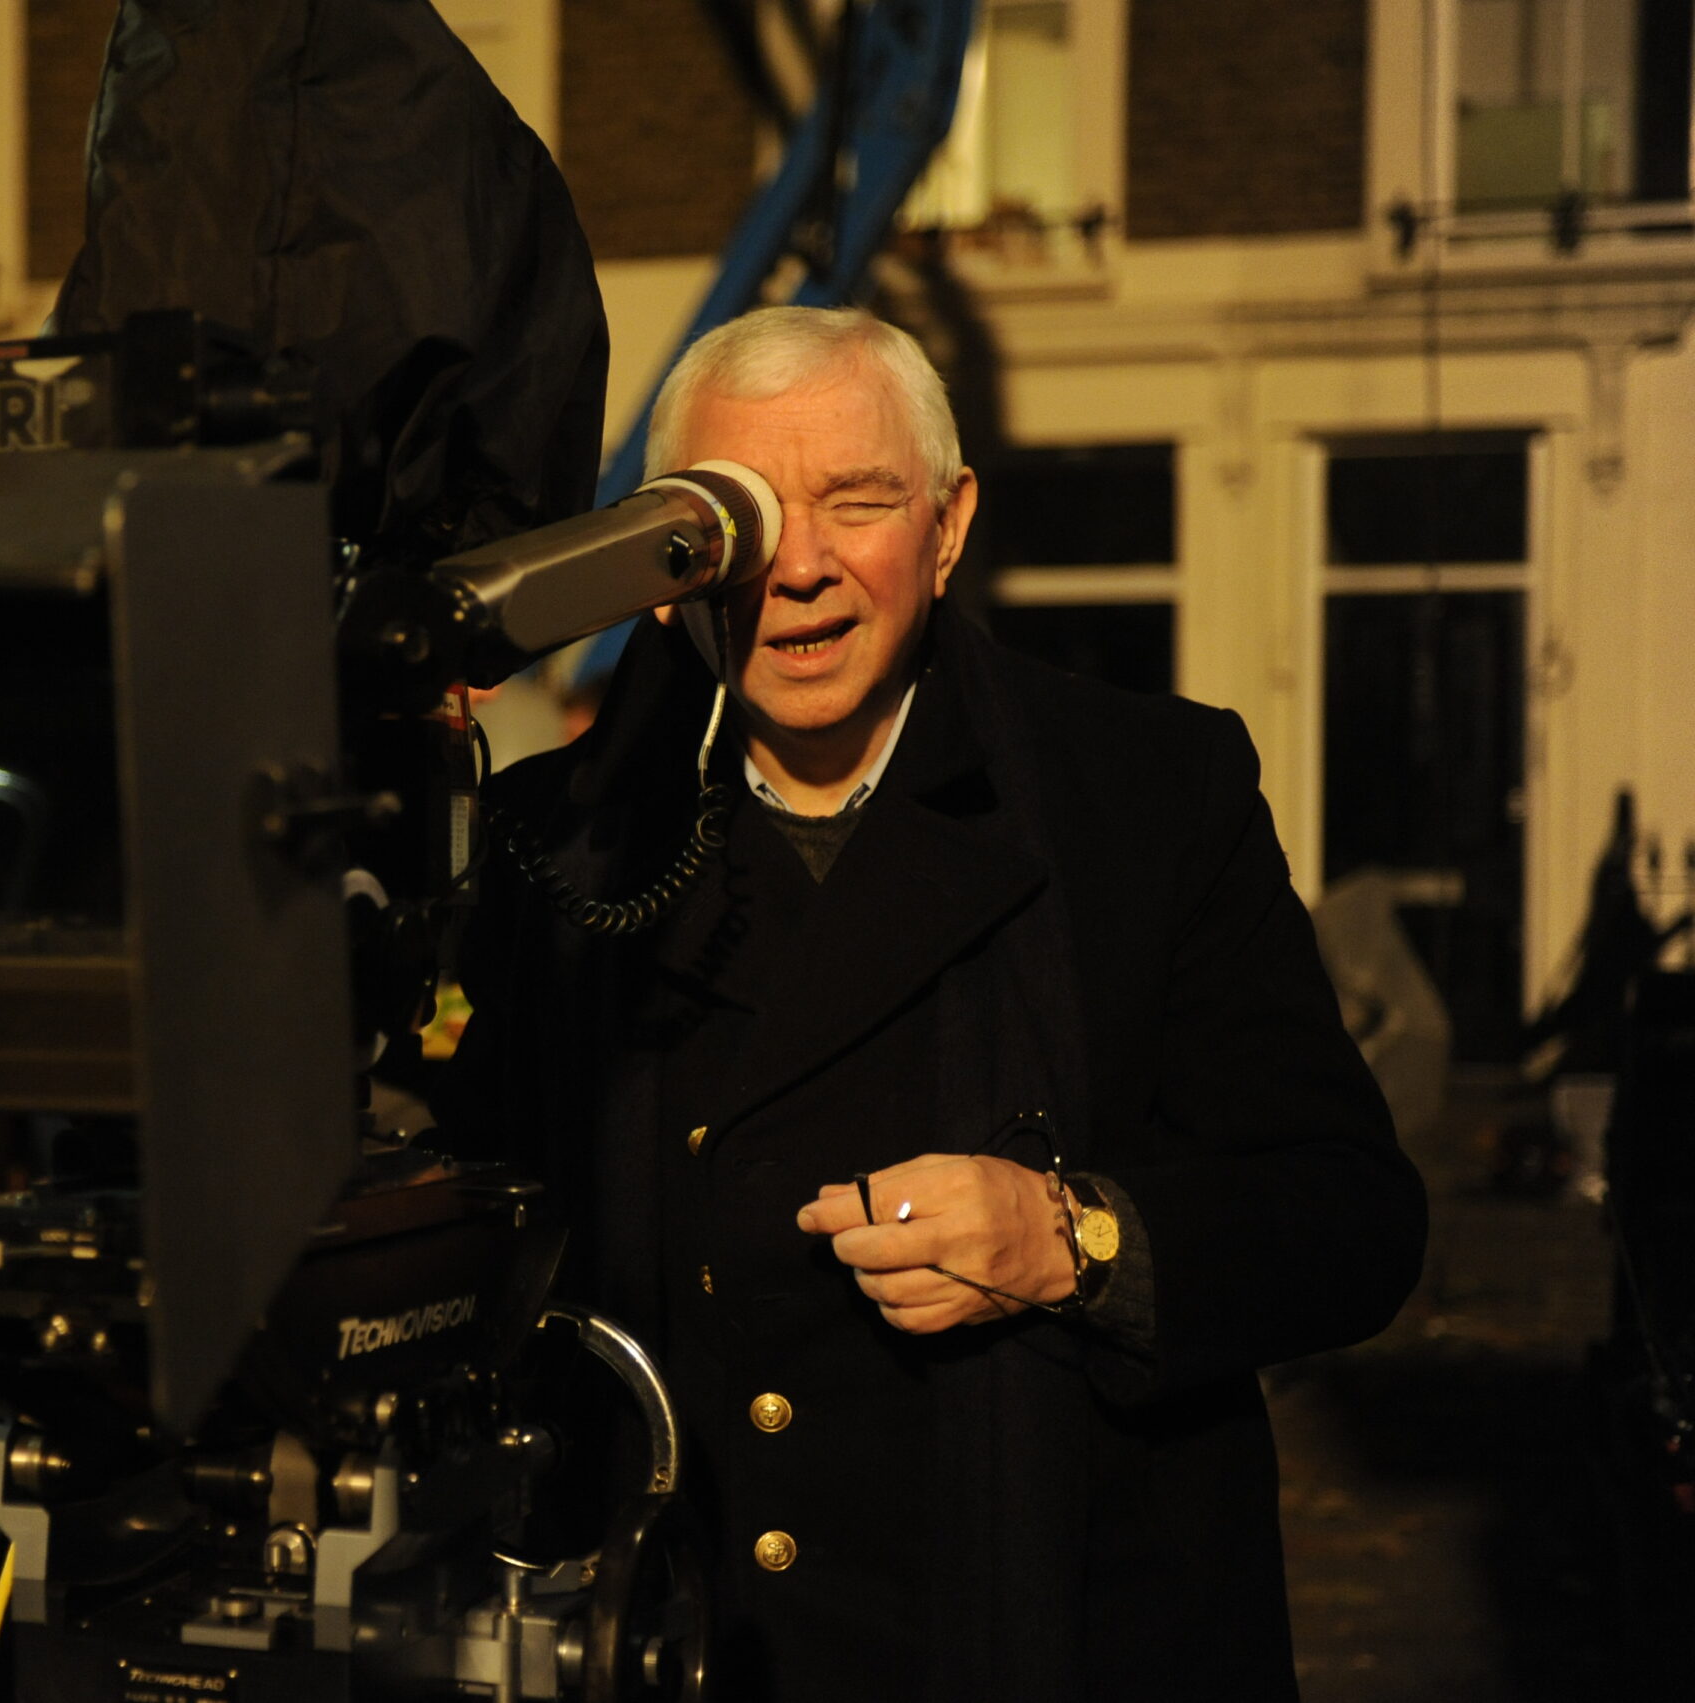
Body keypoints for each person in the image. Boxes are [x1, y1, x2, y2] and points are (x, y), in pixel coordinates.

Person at [437, 306, 1428, 1702]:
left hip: (1059, 1642)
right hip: (681, 1651)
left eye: (862, 502)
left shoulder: (1144, 797)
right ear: (662, 560)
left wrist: (1070, 1237)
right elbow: (462, 1229)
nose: (803, 570)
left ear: (951, 525)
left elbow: (1353, 1222)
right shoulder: (561, 845)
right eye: (743, 515)